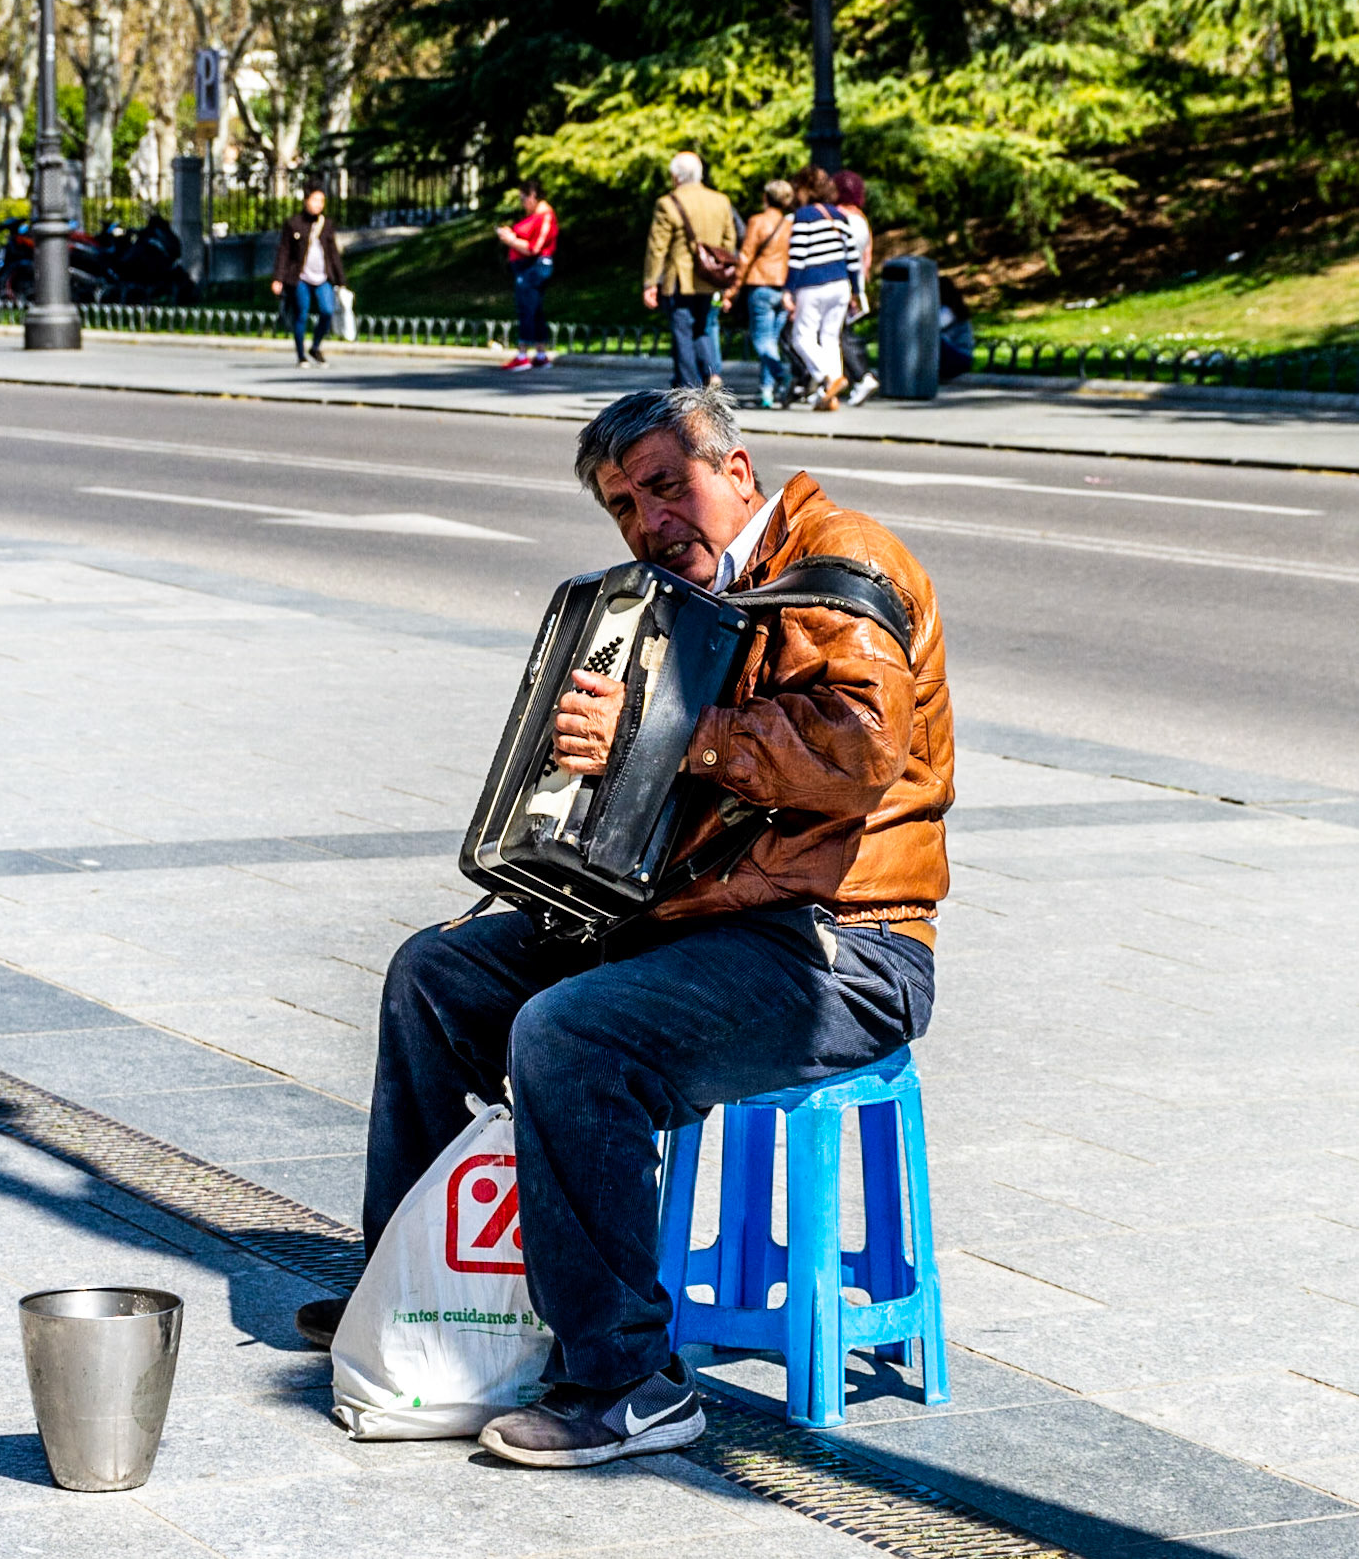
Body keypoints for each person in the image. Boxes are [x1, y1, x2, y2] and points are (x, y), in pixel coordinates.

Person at [297, 386, 953, 1469]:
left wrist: (670, 728)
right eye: (623, 507)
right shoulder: (677, 602)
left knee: (573, 1032)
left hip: (846, 945)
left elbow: (855, 751)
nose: (650, 522)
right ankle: (410, 1300)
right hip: (705, 926)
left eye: (665, 486)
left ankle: (628, 1379)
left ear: (736, 468)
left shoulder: (845, 559)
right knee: (436, 974)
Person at [642, 152, 737, 389]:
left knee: (682, 332)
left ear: (676, 176)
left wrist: (650, 283)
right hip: (710, 278)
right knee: (703, 327)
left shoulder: (668, 203)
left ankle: (688, 387)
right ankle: (710, 373)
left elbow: (657, 248)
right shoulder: (720, 200)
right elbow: (729, 241)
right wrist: (723, 276)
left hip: (680, 279)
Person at [786, 165, 857, 410]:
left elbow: (797, 256)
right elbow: (852, 257)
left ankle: (828, 379)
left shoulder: (804, 215)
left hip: (812, 283)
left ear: (804, 189)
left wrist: (788, 290)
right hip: (841, 283)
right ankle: (831, 397)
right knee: (830, 337)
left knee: (801, 337)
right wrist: (857, 290)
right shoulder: (839, 216)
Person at [725, 179, 794, 408]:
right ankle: (767, 392)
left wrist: (733, 289)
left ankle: (783, 377)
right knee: (772, 342)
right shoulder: (790, 224)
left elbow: (745, 257)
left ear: (766, 197)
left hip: (761, 285)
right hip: (784, 288)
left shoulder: (758, 221)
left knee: (761, 341)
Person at [271, 182, 344, 366]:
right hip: (300, 277)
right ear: (306, 201)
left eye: (322, 201)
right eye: (315, 200)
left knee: (327, 311)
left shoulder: (326, 224)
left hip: (322, 277)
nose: (319, 204)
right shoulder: (293, 224)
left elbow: (333, 253)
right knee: (301, 314)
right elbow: (284, 251)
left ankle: (316, 346)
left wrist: (341, 280)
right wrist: (278, 278)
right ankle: (301, 355)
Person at [495, 180, 558, 371]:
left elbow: (535, 247)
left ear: (533, 195)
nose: (523, 203)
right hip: (528, 268)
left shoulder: (545, 216)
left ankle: (523, 353)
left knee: (526, 308)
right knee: (535, 308)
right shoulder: (535, 216)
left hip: (534, 268)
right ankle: (540, 353)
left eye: (524, 199)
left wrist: (511, 240)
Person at [831, 169, 879, 407]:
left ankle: (862, 376)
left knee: (838, 333)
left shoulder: (838, 216)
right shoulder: (861, 218)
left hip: (841, 281)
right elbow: (866, 256)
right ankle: (849, 380)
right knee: (842, 331)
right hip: (856, 283)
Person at [938, 279, 976, 382]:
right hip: (961, 357)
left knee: (935, 340)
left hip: (959, 357)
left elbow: (932, 328)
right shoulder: (951, 308)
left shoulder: (948, 311)